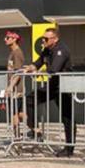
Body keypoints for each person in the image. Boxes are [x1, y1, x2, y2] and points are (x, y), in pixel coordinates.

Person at [23, 28, 74, 157]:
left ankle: (69, 148)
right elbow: (39, 62)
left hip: (64, 86)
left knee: (67, 117)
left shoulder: (61, 50)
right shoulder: (47, 49)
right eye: (43, 38)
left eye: (46, 39)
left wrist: (38, 72)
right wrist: (31, 68)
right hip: (53, 85)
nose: (43, 41)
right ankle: (34, 128)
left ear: (55, 39)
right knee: (30, 98)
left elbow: (54, 69)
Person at [4, 30, 26, 137]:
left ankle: (17, 137)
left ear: (14, 39)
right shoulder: (12, 52)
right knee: (17, 113)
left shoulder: (17, 53)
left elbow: (18, 72)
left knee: (14, 113)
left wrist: (10, 87)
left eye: (8, 38)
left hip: (17, 90)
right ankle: (36, 129)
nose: (5, 39)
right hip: (14, 88)